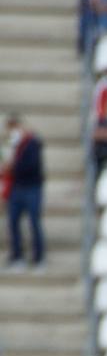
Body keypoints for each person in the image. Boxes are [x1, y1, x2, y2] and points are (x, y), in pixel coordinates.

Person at [5, 115, 44, 270]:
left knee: (34, 222)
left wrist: (12, 167)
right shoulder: (12, 145)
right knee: (13, 222)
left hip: (32, 188)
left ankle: (39, 258)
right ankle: (17, 256)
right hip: (16, 188)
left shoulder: (32, 143)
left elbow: (32, 166)